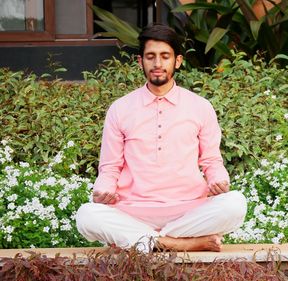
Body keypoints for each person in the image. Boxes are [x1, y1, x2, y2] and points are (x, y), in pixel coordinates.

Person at [75, 23, 247, 252]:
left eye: (165, 56)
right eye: (151, 57)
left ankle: (142, 242)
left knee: (235, 205)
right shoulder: (120, 109)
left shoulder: (200, 107)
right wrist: (103, 188)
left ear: (177, 61)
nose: (157, 64)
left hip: (187, 210)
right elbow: (110, 167)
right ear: (140, 61)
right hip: (133, 210)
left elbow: (211, 161)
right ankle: (176, 244)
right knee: (87, 216)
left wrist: (218, 179)